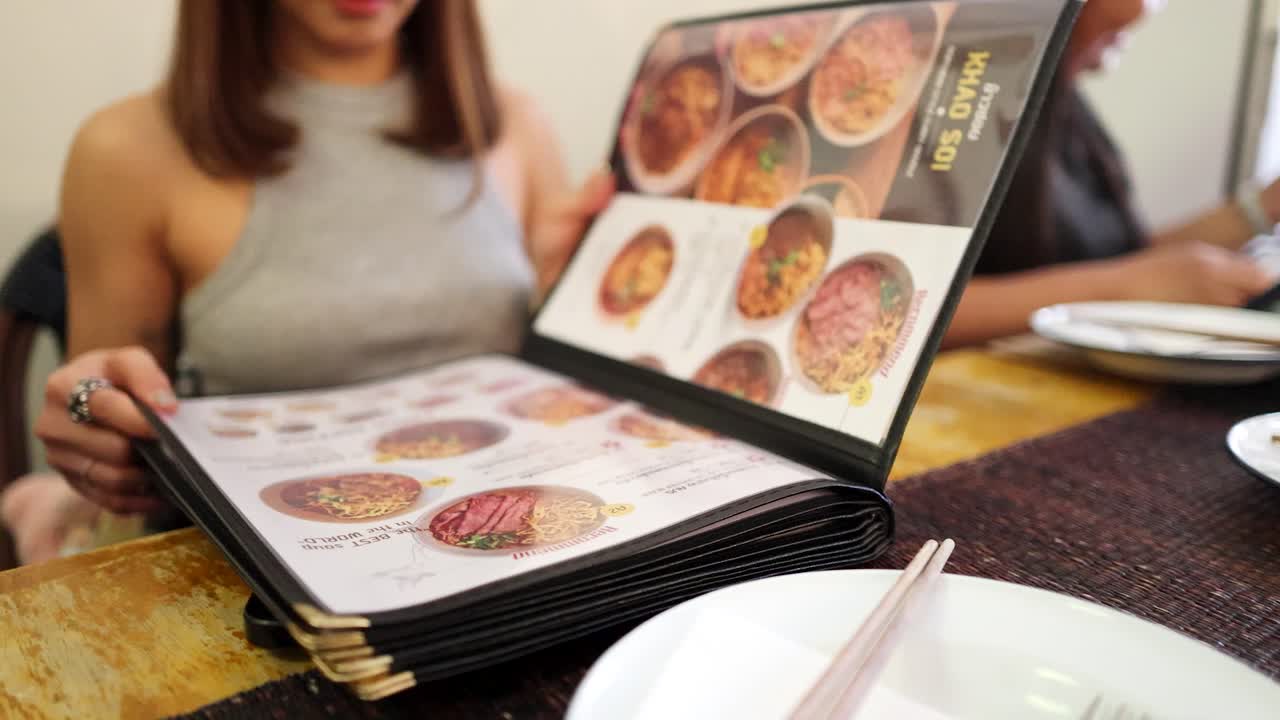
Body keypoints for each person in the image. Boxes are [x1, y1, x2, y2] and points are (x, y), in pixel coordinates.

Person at [15, 0, 613, 558]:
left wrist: (570, 300)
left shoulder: (516, 124)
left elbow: (550, 392)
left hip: (504, 542)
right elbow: (107, 409)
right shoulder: (125, 151)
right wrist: (92, 417)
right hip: (259, 569)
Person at [946, 0, 1279, 347]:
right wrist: (1119, 287)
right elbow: (913, 307)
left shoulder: (1066, 106)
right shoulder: (964, 102)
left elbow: (1119, 260)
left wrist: (1263, 207)